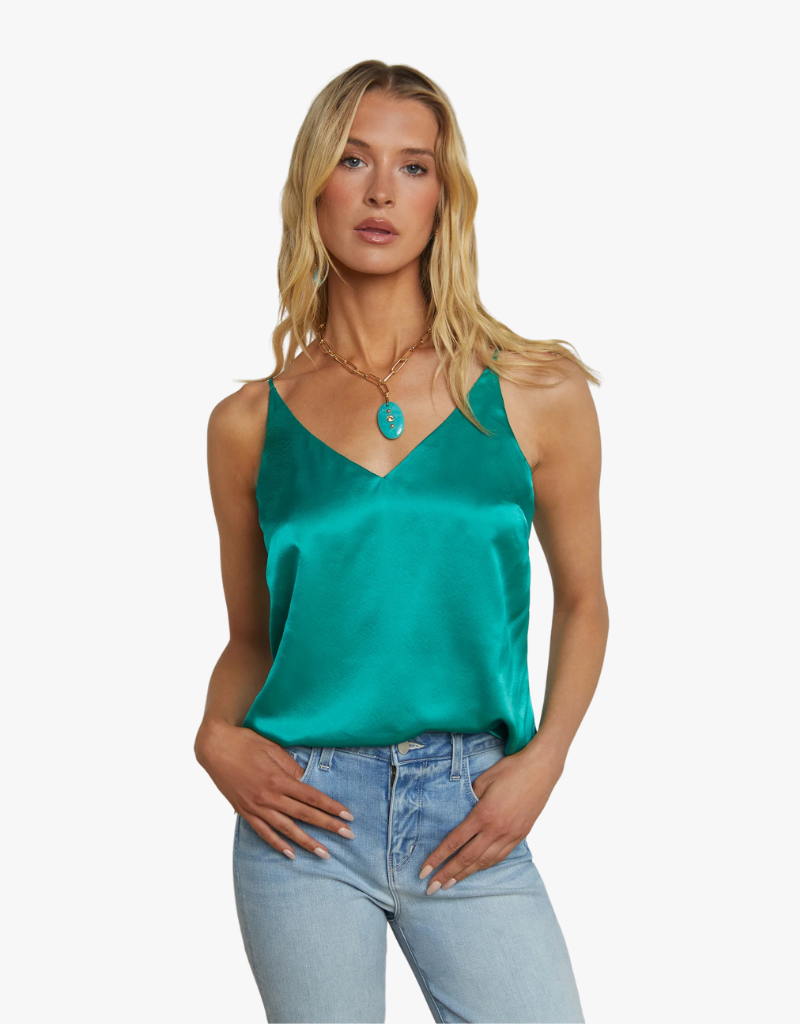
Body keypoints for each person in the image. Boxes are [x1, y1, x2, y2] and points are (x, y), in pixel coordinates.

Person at [195, 59, 607, 1024]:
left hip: (471, 807)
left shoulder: (536, 392)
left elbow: (586, 599)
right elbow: (253, 639)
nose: (382, 190)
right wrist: (214, 737)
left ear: (443, 197)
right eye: (354, 159)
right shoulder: (246, 424)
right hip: (301, 818)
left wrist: (547, 757)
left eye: (413, 166)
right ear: (313, 186)